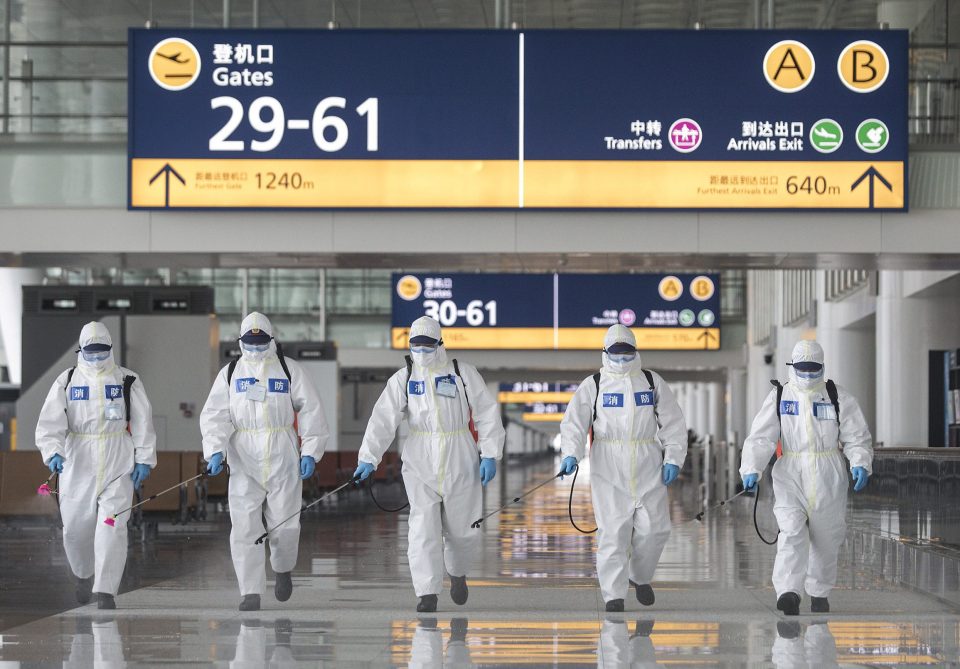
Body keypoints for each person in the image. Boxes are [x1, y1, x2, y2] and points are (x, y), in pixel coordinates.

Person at [354, 316, 505, 613]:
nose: (421, 351)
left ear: (440, 345)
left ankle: (458, 573)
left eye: (427, 346)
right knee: (422, 528)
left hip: (459, 453)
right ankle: (426, 593)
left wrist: (490, 453)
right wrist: (368, 457)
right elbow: (383, 419)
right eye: (416, 346)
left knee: (462, 531)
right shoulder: (404, 378)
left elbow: (486, 412)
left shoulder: (463, 373)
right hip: (419, 456)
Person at [200, 312, 329, 611]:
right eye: (250, 343)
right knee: (245, 527)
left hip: (282, 455)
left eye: (260, 343)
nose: (255, 348)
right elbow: (214, 416)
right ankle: (250, 592)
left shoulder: (288, 370)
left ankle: (283, 568)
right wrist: (215, 450)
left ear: (271, 341)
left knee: (285, 527)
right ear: (241, 342)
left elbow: (311, 410)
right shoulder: (230, 373)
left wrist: (310, 451)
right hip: (244, 459)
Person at [559, 324, 687, 612]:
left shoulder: (651, 382)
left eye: (627, 353)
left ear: (636, 351)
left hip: (647, 460)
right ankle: (613, 596)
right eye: (616, 353)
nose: (621, 358)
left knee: (655, 530)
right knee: (613, 532)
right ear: (605, 353)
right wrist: (571, 453)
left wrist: (673, 458)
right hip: (608, 464)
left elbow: (673, 422)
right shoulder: (594, 384)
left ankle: (639, 576)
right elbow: (574, 423)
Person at [740, 339, 872, 616]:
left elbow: (856, 436)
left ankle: (819, 592)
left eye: (814, 369)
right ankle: (788, 591)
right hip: (791, 471)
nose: (809, 374)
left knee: (827, 538)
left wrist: (860, 461)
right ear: (793, 367)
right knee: (791, 531)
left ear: (822, 367)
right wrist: (751, 467)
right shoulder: (780, 396)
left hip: (829, 474)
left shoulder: (838, 396)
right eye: (803, 369)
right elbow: (762, 436)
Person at [35, 321, 157, 610]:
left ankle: (105, 590)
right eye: (91, 351)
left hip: (118, 459)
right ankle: (82, 574)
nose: (97, 356)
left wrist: (144, 458)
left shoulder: (127, 380)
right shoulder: (67, 381)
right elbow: (50, 422)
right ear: (81, 351)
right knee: (75, 529)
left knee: (111, 525)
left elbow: (143, 421)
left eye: (102, 351)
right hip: (78, 461)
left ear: (111, 349)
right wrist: (52, 451)